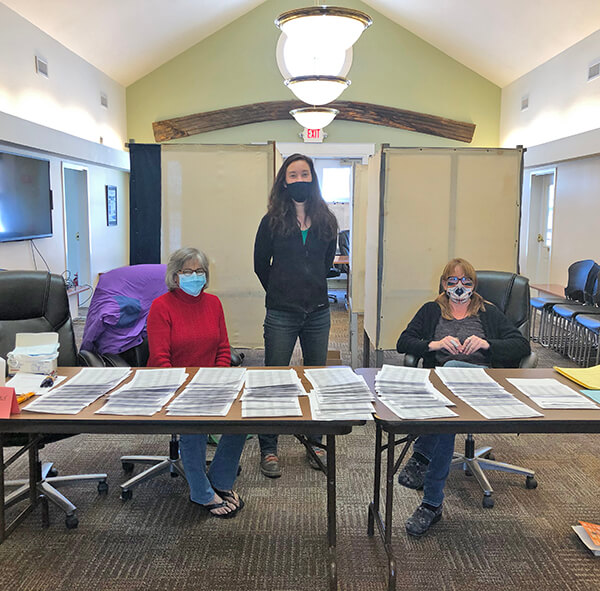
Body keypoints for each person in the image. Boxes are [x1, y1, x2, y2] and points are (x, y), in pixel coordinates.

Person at [395, 258, 530, 536]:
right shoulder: (432, 310)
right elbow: (403, 342)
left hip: (481, 384)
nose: (459, 287)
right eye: (453, 281)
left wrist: (487, 344)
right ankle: (431, 502)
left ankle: (421, 456)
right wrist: (433, 344)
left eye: (466, 281)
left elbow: (520, 345)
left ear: (474, 285)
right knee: (448, 419)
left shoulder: (488, 312)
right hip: (442, 388)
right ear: (444, 284)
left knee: (449, 394)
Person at [254, 153, 338, 478]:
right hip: (281, 313)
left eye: (305, 174)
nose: (299, 180)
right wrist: (280, 290)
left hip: (318, 312)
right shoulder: (271, 221)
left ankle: (316, 442)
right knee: (272, 380)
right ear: (284, 181)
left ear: (312, 179)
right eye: (293, 175)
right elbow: (261, 265)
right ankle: (269, 446)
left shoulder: (327, 221)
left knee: (316, 379)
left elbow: (326, 263)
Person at [147, 247, 246, 518]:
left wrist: (217, 379)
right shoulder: (160, 307)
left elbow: (224, 349)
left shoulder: (213, 304)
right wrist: (187, 390)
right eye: (187, 271)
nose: (194, 276)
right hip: (171, 385)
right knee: (193, 421)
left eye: (199, 272)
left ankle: (220, 481)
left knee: (245, 416)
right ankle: (200, 492)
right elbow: (160, 358)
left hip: (210, 381)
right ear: (175, 276)